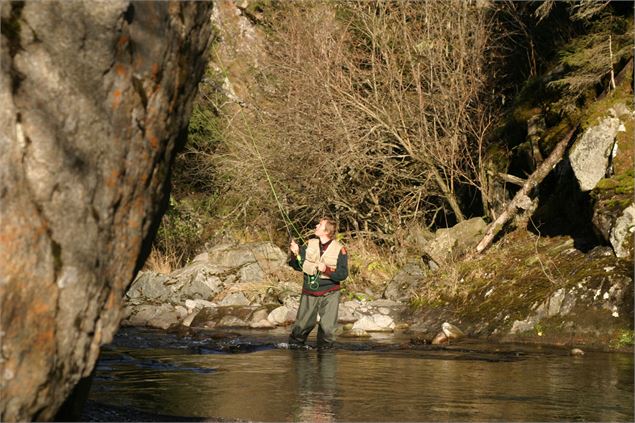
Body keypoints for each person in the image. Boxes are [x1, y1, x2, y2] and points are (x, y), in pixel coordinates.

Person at [288, 217, 348, 349]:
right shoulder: (309, 244)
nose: (316, 226)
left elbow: (343, 274)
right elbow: (297, 266)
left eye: (319, 225)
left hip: (330, 293)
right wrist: (295, 253)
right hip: (309, 291)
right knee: (301, 328)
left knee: (327, 330)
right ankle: (295, 351)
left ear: (326, 231)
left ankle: (325, 356)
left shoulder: (340, 249)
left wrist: (326, 270)